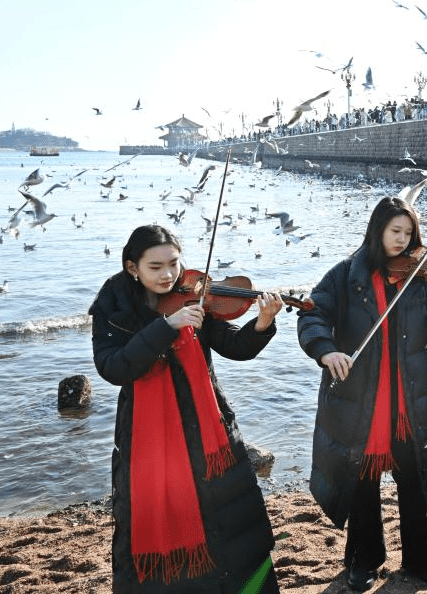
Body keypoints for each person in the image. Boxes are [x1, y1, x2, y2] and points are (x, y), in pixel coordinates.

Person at [297, 197, 427, 591]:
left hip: (409, 396)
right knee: (363, 480)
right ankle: (364, 559)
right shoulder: (345, 275)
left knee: (413, 478)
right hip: (361, 397)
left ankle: (421, 557)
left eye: (409, 233)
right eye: (395, 231)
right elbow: (312, 314)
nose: (402, 240)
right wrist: (326, 350)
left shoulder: (420, 277)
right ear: (377, 229)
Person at [90, 225, 284, 593]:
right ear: (133, 267)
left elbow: (235, 347)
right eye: (155, 267)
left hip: (208, 429)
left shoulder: (194, 295)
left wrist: (262, 323)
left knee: (230, 527)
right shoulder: (112, 306)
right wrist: (166, 327)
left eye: (174, 264)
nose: (168, 275)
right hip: (148, 443)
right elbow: (113, 368)